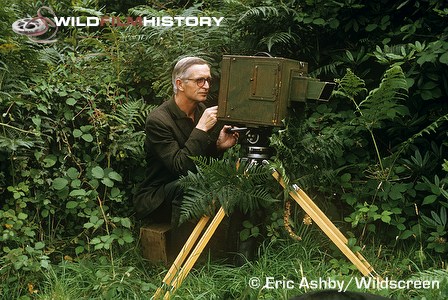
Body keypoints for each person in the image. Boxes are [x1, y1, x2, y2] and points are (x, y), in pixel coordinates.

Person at [133, 56, 238, 226]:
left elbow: (199, 162)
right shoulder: (158, 120)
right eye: (199, 81)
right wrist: (201, 129)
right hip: (158, 198)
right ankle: (183, 249)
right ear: (180, 84)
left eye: (208, 80)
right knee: (189, 184)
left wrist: (218, 147)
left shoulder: (200, 110)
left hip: (187, 189)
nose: (206, 86)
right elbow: (181, 168)